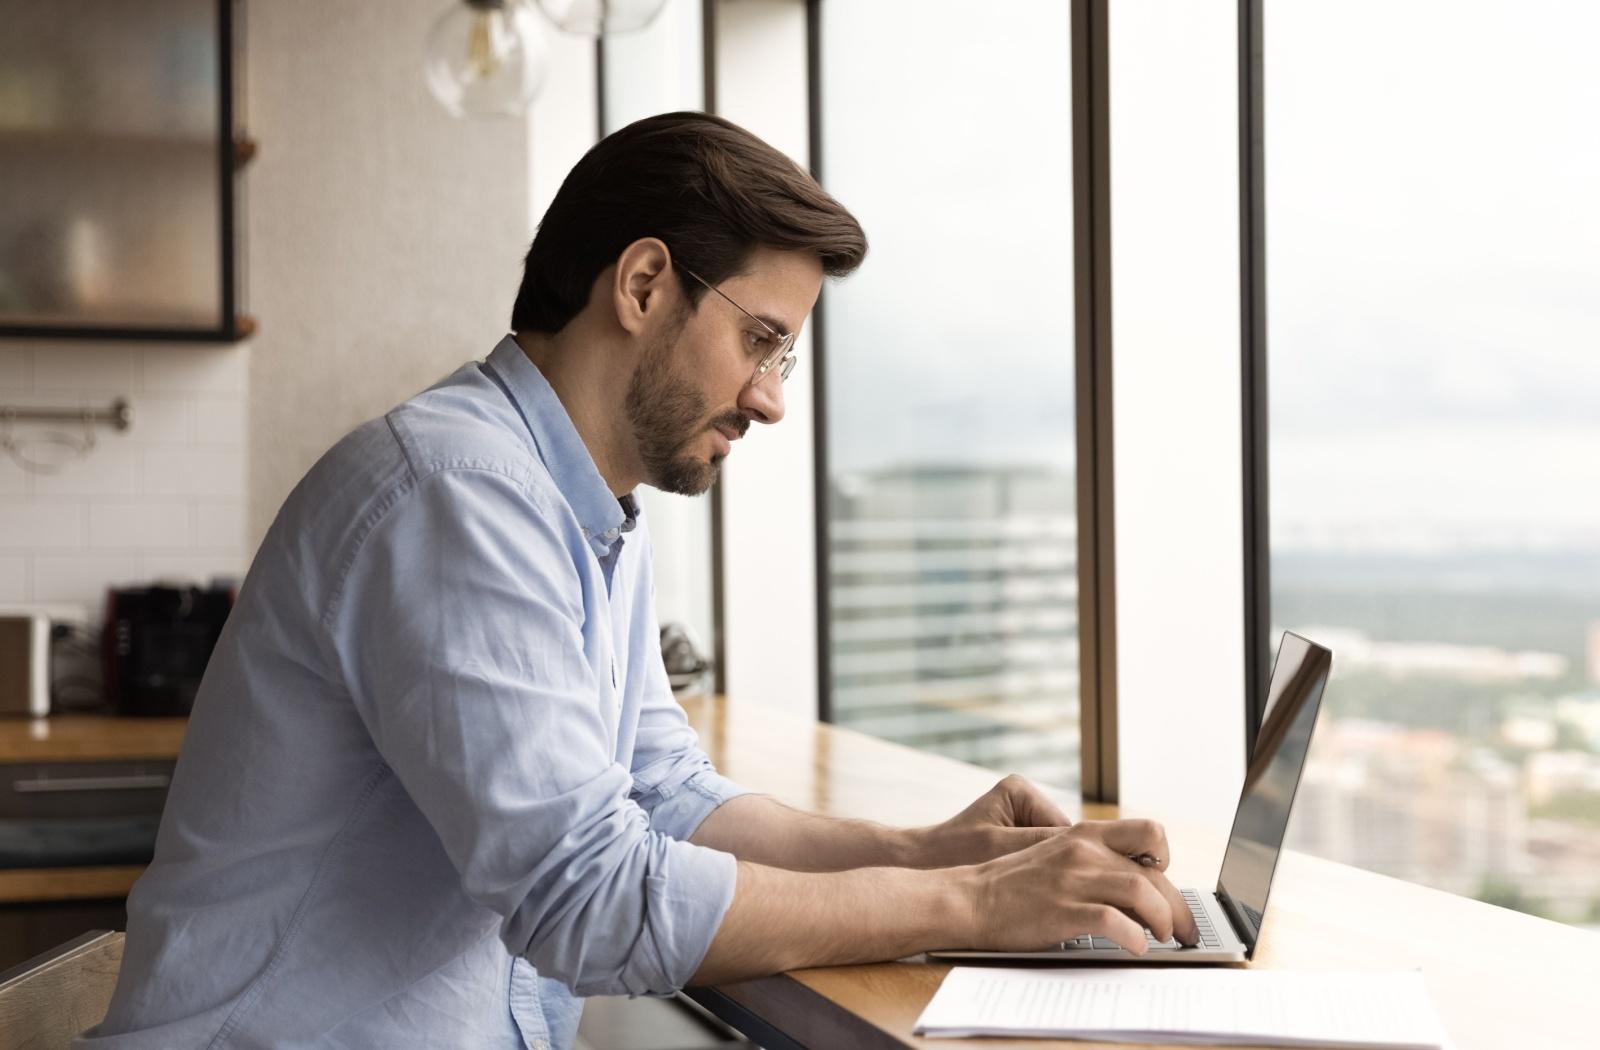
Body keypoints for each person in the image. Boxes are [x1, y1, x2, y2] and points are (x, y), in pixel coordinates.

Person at [78, 112, 1196, 1050]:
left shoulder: (586, 505)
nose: (770, 398)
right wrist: (976, 904)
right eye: (760, 339)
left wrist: (933, 852)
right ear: (647, 283)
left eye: (782, 356)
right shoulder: (455, 492)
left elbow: (665, 798)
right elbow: (593, 900)